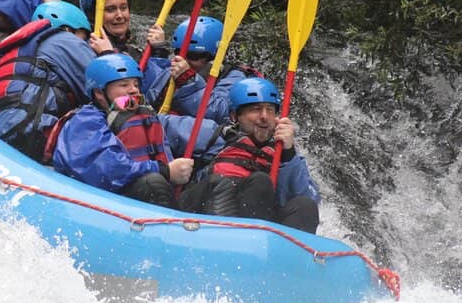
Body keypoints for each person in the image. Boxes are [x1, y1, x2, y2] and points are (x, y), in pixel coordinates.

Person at [50, 54, 194, 208]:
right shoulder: (85, 121)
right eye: (124, 85)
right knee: (153, 183)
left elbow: (177, 128)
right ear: (99, 93)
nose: (133, 90)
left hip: (146, 195)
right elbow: (109, 169)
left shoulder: (142, 114)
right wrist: (165, 171)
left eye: (135, 84)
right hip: (108, 201)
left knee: (214, 183)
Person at [183, 77, 320, 233]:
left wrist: (288, 153)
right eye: (255, 109)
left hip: (257, 228)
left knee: (305, 206)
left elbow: (310, 197)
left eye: (270, 109)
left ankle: (272, 252)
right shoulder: (211, 134)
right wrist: (170, 170)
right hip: (205, 216)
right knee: (258, 180)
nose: (264, 116)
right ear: (235, 116)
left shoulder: (283, 152)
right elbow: (160, 125)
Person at [0, 0, 108, 161]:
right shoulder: (65, 40)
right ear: (67, 29)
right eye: (84, 37)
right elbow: (110, 87)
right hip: (27, 133)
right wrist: (106, 53)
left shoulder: (22, 47)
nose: (87, 43)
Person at [79, 0, 170, 103]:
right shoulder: (85, 51)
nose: (120, 15)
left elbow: (153, 90)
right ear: (93, 15)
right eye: (110, 9)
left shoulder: (132, 52)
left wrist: (159, 52)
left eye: (123, 7)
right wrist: (107, 56)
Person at [167, 16, 257, 123]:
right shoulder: (175, 65)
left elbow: (219, 113)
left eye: (193, 56)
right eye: (179, 52)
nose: (184, 61)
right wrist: (157, 52)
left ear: (214, 57)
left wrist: (189, 80)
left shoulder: (235, 77)